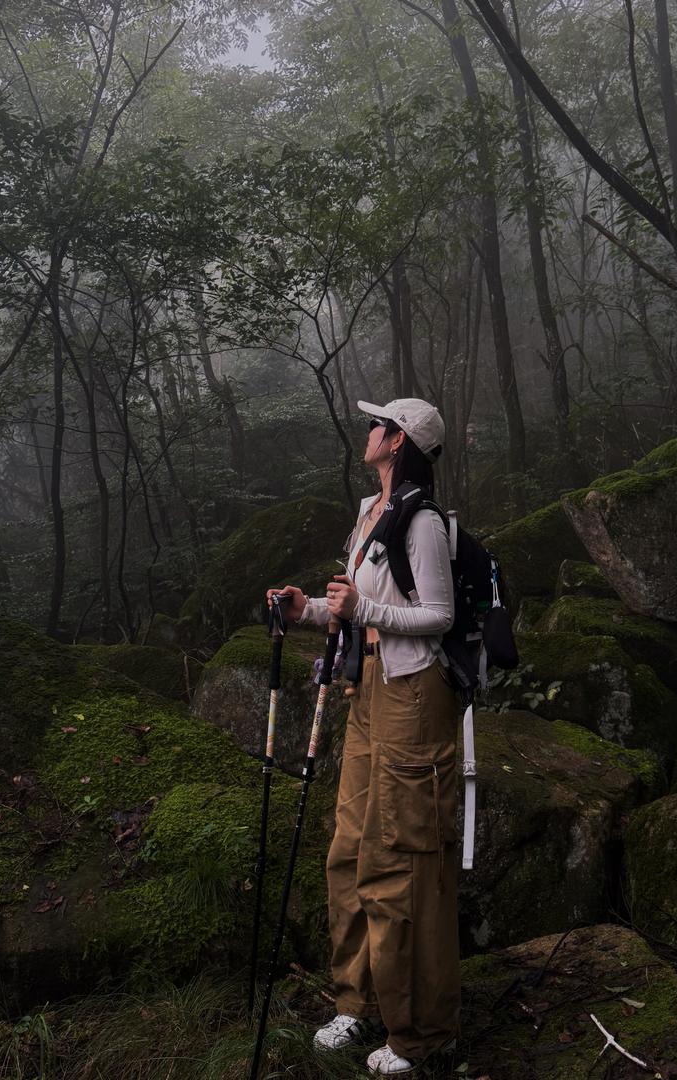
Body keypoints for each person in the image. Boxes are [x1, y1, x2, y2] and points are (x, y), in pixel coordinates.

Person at [265, 398, 460, 1077]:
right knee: (349, 847)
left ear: (399, 440)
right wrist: (309, 609)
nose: (368, 432)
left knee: (400, 857)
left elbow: (437, 614)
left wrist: (365, 607)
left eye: (377, 425)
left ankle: (421, 1031)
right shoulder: (369, 513)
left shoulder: (424, 521)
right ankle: (360, 1000)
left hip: (413, 696)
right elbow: (357, 609)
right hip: (366, 687)